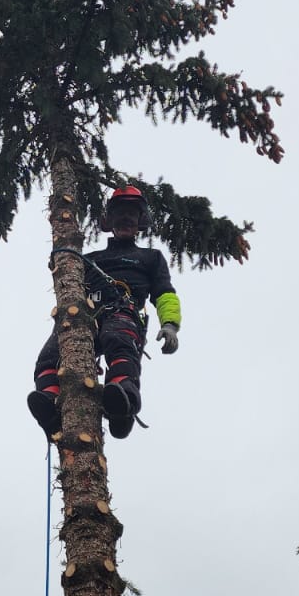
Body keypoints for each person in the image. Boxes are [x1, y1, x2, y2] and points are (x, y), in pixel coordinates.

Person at [27, 185, 180, 441]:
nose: (126, 219)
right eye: (120, 214)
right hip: (84, 314)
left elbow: (164, 292)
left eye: (132, 215)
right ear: (108, 221)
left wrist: (170, 324)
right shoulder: (88, 259)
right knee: (50, 355)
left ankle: (123, 400)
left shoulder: (150, 257)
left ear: (140, 222)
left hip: (122, 310)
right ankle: (51, 405)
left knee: (118, 338)